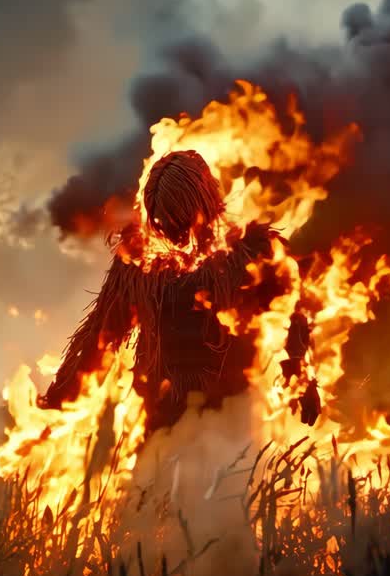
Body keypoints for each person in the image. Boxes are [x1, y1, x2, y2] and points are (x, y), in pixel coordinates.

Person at [37, 149, 319, 434]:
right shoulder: (136, 260)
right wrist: (59, 397)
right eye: (162, 222)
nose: (171, 231)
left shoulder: (252, 251)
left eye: (178, 220)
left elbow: (293, 310)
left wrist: (302, 376)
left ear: (203, 204)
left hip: (233, 414)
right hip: (160, 418)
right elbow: (99, 334)